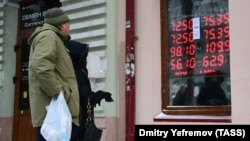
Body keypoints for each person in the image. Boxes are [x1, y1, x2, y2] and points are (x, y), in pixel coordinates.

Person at [27, 7, 80, 141]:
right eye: (68, 23)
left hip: (55, 114)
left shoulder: (54, 39)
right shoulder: (49, 37)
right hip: (54, 114)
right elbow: (40, 67)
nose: (70, 27)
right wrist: (59, 92)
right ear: (61, 24)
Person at [65, 40, 114, 140]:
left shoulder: (71, 72)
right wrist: (102, 94)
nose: (86, 59)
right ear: (76, 57)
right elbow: (86, 99)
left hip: (73, 120)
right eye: (84, 56)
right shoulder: (78, 74)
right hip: (80, 121)